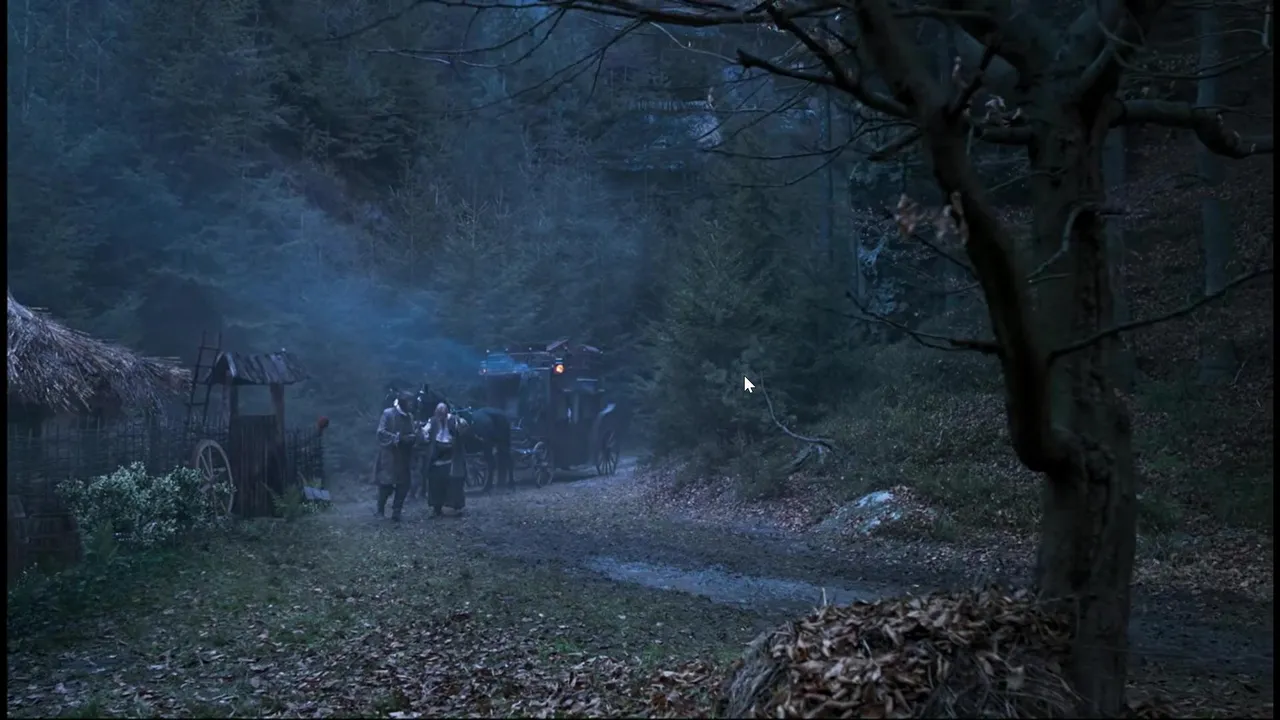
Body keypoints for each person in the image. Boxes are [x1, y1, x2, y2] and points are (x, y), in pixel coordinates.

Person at [373, 392, 418, 521]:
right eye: (409, 402)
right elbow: (380, 432)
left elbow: (412, 433)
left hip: (404, 456)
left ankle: (396, 511)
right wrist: (397, 438)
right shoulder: (388, 413)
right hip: (389, 456)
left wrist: (413, 438)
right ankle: (380, 510)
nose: (411, 405)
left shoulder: (410, 417)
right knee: (386, 484)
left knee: (404, 485)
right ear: (402, 402)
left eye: (412, 402)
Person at [422, 401, 468, 516]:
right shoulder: (432, 421)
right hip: (437, 454)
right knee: (435, 482)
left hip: (452, 454)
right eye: (439, 414)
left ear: (446, 413)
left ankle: (456, 507)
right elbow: (425, 432)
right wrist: (424, 435)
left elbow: (463, 429)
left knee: (454, 482)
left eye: (443, 414)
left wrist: (461, 425)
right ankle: (436, 508)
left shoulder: (454, 420)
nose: (440, 417)